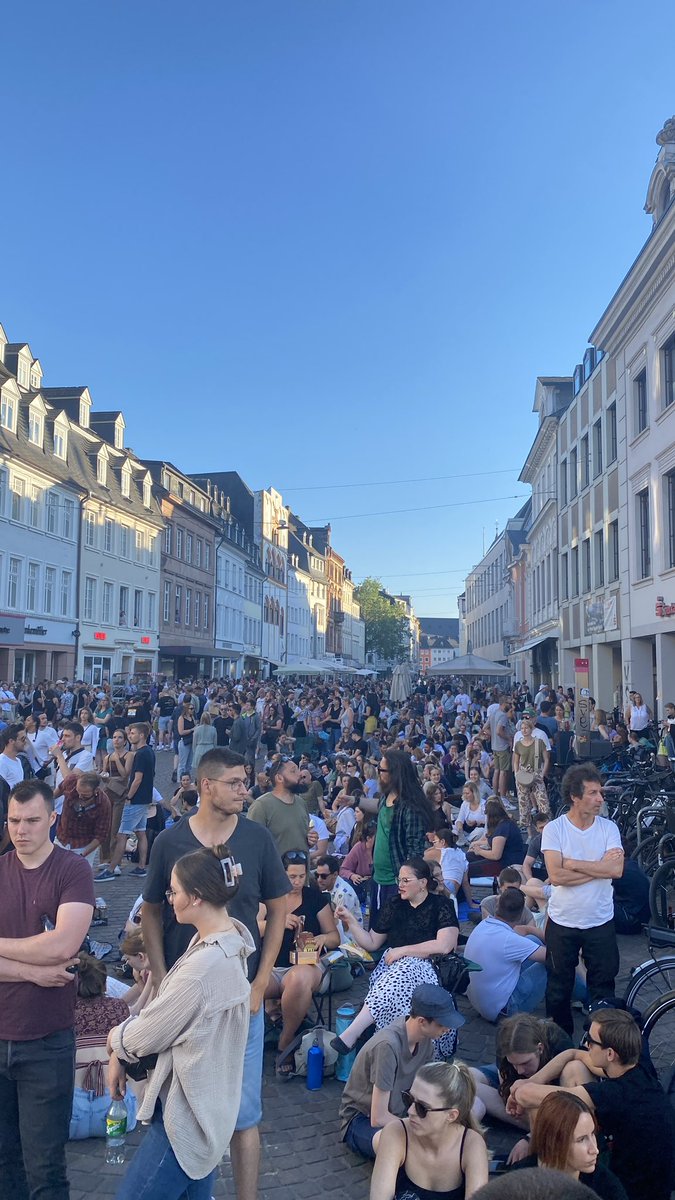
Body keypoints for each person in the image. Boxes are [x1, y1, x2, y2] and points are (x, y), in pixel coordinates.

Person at [141, 747, 290, 1200]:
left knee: (244, 1114)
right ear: (206, 786)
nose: (246, 791)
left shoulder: (257, 838)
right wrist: (162, 978)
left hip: (238, 998)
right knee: (176, 1106)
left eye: (246, 782)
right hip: (183, 998)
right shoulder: (170, 841)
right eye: (235, 783)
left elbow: (279, 910)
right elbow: (149, 913)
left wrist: (262, 979)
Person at [107, 841, 254, 1200]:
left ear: (197, 896)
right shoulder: (232, 940)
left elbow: (145, 1034)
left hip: (185, 1120)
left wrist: (114, 1042)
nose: (169, 899)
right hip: (210, 1113)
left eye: (174, 892)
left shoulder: (204, 967)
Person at [0, 779, 95, 1199]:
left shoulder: (73, 870)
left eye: (32, 820)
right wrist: (30, 971)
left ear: (53, 819)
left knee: (45, 1171)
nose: (21, 830)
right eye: (14, 820)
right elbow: (47, 957)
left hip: (45, 1042)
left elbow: (63, 945)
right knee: (5, 1165)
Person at [506, 1008, 675, 1200]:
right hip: (651, 1176)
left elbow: (532, 1096)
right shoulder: (636, 1067)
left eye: (592, 1042)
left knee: (550, 1105)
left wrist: (519, 1090)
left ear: (610, 1053)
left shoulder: (615, 1094)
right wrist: (532, 1080)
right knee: (574, 1068)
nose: (586, 1044)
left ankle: (546, 1168)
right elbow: (573, 1054)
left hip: (630, 1190)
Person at [331, 857, 460, 1057]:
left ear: (423, 883)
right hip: (391, 970)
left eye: (406, 880)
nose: (400, 885)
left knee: (405, 967)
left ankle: (355, 1034)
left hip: (428, 969)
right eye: (399, 880)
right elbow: (372, 942)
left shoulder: (441, 905)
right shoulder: (394, 904)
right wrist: (352, 923)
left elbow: (444, 945)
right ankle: (396, 1054)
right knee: (400, 975)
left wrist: (403, 950)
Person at [541, 764, 623, 1035]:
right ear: (575, 797)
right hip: (563, 922)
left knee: (603, 986)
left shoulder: (608, 828)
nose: (600, 798)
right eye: (593, 793)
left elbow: (616, 870)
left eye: (600, 792)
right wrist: (597, 869)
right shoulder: (554, 829)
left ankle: (598, 1044)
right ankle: (559, 1045)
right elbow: (555, 875)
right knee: (557, 989)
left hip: (600, 922)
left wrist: (573, 863)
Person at [339, 984, 466, 1160]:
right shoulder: (388, 1046)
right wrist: (423, 1129)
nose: (448, 1029)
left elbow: (425, 1090)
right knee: (405, 1148)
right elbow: (378, 1117)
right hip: (362, 1120)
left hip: (400, 1112)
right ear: (422, 1021)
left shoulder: (427, 1040)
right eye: (442, 1024)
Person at [262, 850, 340, 1076]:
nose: (297, 882)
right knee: (244, 983)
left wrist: (323, 938)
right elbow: (250, 926)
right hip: (272, 967)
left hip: (306, 966)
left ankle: (285, 1043)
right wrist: (276, 922)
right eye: (291, 876)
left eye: (301, 876)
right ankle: (248, 1042)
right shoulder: (269, 897)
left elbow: (334, 937)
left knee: (298, 979)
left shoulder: (315, 898)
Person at [370, 1059, 489, 1199]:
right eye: (408, 1099)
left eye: (422, 1108)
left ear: (451, 1115)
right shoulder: (396, 1133)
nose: (410, 1111)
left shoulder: (471, 1146)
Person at [508, 1091, 628, 1200]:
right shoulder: (519, 1183)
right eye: (581, 1140)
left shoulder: (604, 1185)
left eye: (592, 1134)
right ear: (554, 1142)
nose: (594, 1149)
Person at [469, 1013, 572, 1132]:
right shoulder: (505, 1042)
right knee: (467, 1077)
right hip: (509, 1077)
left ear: (540, 1049)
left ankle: (538, 1128)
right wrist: (510, 1096)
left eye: (525, 1063)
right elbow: (505, 1085)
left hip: (549, 1089)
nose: (520, 1070)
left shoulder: (559, 1043)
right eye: (514, 1063)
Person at [371, 750, 435, 922]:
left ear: (394, 774)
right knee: (378, 928)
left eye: (381, 770)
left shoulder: (410, 807)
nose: (378, 773)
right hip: (379, 877)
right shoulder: (385, 797)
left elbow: (415, 851)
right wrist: (354, 801)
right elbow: (377, 809)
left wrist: (406, 882)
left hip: (396, 881)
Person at [464, 888, 546, 1021]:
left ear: (497, 907)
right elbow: (555, 957)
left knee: (534, 941)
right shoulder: (509, 939)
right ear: (520, 916)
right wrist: (531, 929)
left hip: (480, 1003)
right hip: (504, 1011)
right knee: (552, 964)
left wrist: (530, 932)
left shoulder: (484, 924)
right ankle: (585, 997)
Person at [97, 722, 155, 881]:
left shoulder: (140, 754)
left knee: (122, 834)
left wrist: (129, 796)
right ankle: (141, 867)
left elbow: (137, 779)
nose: (130, 736)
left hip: (136, 799)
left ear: (142, 735)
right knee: (141, 833)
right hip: (144, 798)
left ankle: (111, 869)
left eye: (133, 733)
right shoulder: (149, 751)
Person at [57, 771, 111, 867]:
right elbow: (54, 794)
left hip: (84, 845)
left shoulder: (103, 803)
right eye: (78, 792)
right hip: (62, 839)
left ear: (96, 791)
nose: (80, 797)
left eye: (85, 796)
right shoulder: (71, 781)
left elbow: (101, 835)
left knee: (79, 878)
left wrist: (82, 855)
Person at [99, 728, 134, 866]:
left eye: (119, 737)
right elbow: (105, 773)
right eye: (114, 737)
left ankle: (115, 860)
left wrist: (117, 760)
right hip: (109, 792)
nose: (116, 740)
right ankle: (104, 858)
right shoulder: (107, 757)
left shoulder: (129, 755)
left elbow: (125, 774)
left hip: (120, 794)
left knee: (115, 828)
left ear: (125, 741)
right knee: (105, 827)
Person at [467, 799, 525, 879]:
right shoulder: (503, 824)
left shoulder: (503, 828)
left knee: (468, 869)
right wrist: (476, 845)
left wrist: (480, 851)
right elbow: (491, 842)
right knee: (469, 856)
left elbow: (495, 855)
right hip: (502, 858)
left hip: (506, 862)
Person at [512, 716, 550, 831]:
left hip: (536, 772)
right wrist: (516, 773)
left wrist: (542, 774)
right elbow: (516, 760)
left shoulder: (539, 742)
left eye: (526, 728)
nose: (524, 730)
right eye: (522, 728)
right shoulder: (518, 744)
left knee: (543, 803)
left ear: (531, 729)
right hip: (523, 773)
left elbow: (546, 758)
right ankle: (528, 832)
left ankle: (547, 828)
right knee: (524, 806)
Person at [315, 853, 363, 931]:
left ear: (335, 875)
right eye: (317, 875)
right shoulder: (326, 885)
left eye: (323, 876)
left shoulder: (344, 894)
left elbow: (344, 927)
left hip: (349, 938)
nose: (319, 880)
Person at [453, 781, 487, 846]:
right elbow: (460, 819)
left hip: (479, 829)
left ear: (474, 793)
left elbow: (488, 821)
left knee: (480, 832)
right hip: (466, 829)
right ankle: (465, 840)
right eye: (464, 793)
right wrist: (460, 828)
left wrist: (476, 822)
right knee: (454, 828)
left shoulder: (483, 804)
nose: (465, 795)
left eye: (467, 793)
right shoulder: (465, 804)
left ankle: (466, 840)